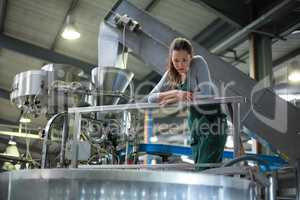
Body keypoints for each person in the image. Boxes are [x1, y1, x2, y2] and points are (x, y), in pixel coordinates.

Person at [147, 37, 228, 171]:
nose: (180, 65)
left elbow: (206, 94)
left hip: (213, 125)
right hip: (196, 125)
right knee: (199, 169)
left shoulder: (199, 62)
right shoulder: (172, 73)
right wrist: (176, 94)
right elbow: (151, 98)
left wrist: (175, 99)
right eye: (176, 61)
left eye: (184, 60)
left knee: (206, 171)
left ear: (191, 57)